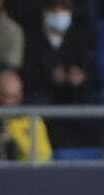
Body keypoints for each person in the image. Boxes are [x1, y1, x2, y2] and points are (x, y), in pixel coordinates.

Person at [22, 0, 99, 145]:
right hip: (42, 91)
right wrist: (49, 76)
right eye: (53, 9)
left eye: (63, 8)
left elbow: (94, 66)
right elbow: (27, 70)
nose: (58, 13)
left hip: (77, 91)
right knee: (37, 104)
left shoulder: (82, 34)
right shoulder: (32, 36)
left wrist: (82, 76)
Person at [0, 68, 53, 162]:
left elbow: (44, 157)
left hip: (23, 170)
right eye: (7, 96)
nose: (11, 102)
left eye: (15, 96)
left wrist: (15, 141)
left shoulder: (33, 120)